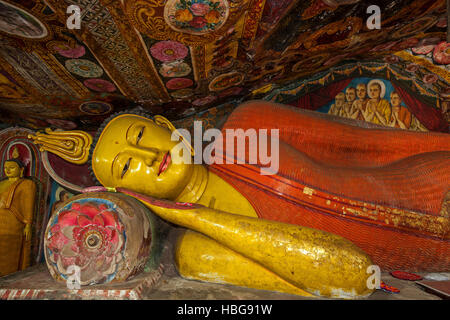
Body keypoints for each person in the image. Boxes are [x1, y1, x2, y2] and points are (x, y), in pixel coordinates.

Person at [29, 101, 450, 296]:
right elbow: (354, 276)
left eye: (141, 136)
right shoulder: (198, 250)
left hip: (434, 179)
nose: (146, 157)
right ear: (130, 193)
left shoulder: (248, 127)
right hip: (431, 259)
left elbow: (367, 144)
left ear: (163, 125)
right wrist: (192, 217)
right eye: (126, 168)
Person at [0, 159, 36, 276]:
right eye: (6, 167)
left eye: (12, 167)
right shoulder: (1, 183)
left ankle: (7, 275)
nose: (8, 170)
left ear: (21, 170)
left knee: (7, 252)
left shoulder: (26, 184)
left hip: (12, 223)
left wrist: (28, 224)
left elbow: (28, 205)